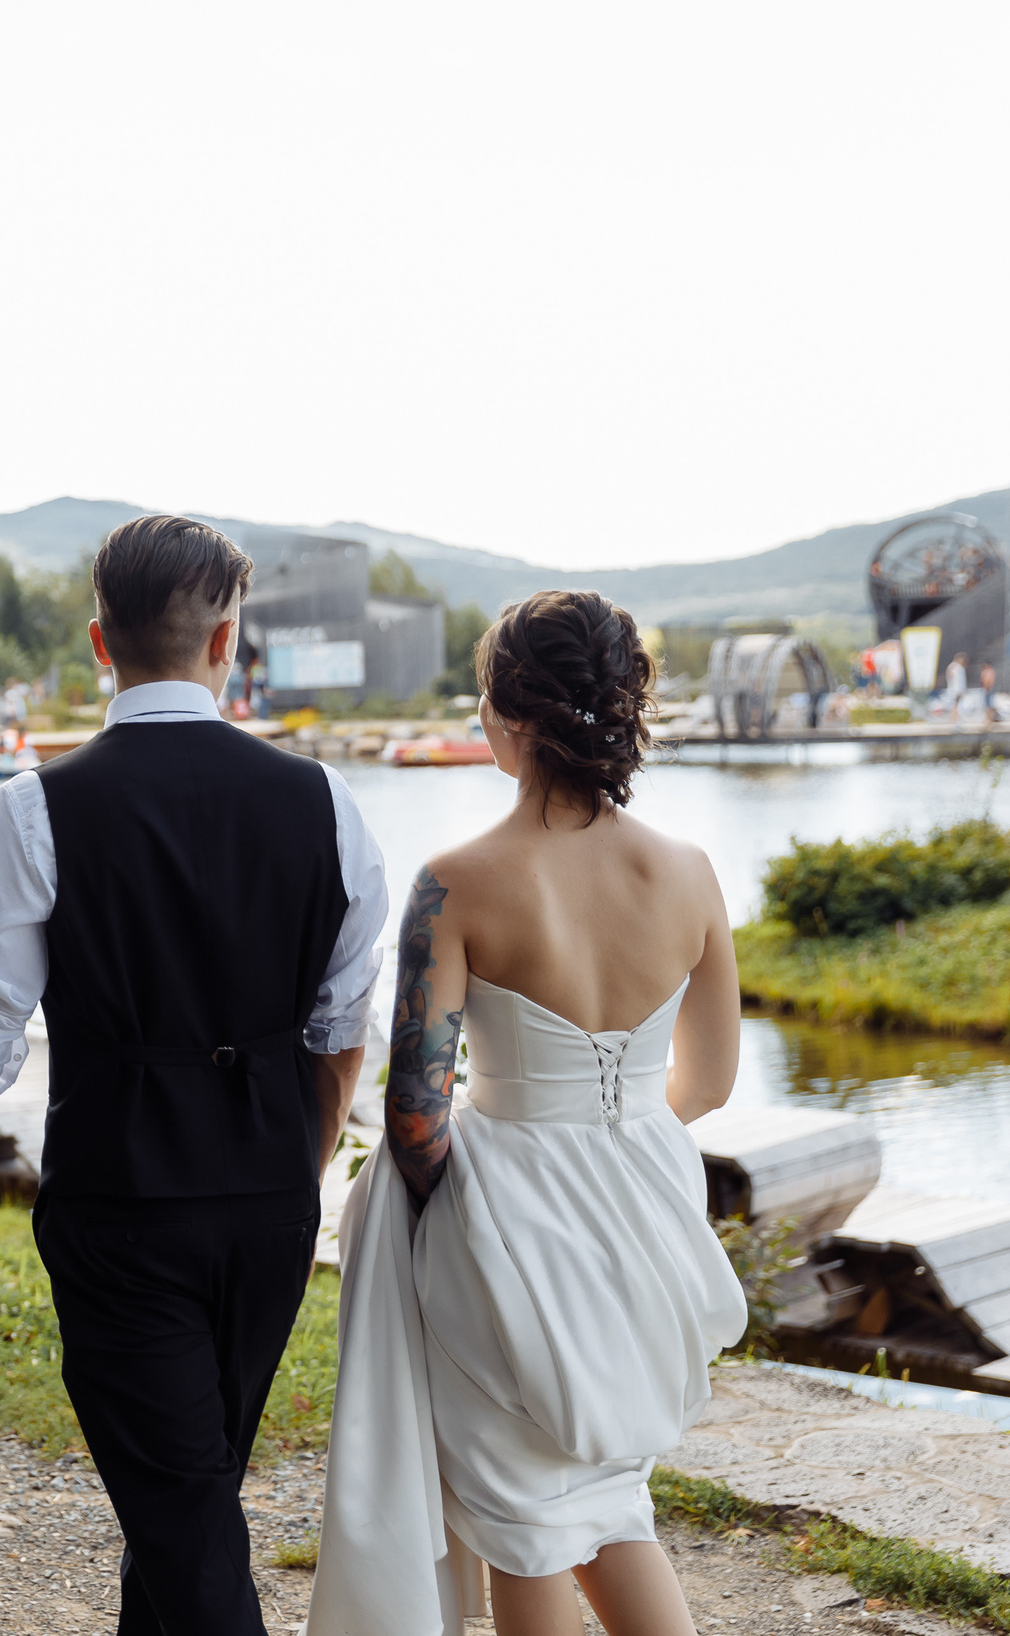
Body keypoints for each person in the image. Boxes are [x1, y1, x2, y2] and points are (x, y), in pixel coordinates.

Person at [0, 516, 389, 1635]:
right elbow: (342, 1025)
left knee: (185, 1520)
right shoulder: (326, 804)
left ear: (101, 645)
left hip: (122, 1205)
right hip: (267, 1209)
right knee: (184, 1507)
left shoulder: (36, 807)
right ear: (227, 642)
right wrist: (291, 1164)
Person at [309, 591, 746, 1636]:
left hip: (505, 1225)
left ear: (509, 716)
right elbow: (714, 1080)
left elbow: (415, 1117)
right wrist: (617, 1149)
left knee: (520, 1518)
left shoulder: (455, 885)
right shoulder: (688, 873)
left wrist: (479, 1201)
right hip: (644, 1214)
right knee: (605, 1499)